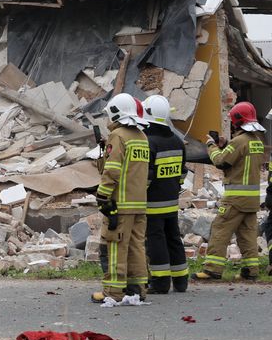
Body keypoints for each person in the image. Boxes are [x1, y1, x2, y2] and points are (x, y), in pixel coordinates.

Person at [193, 102, 265, 280]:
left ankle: (212, 270)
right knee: (247, 233)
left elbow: (221, 161)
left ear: (236, 120)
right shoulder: (257, 141)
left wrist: (211, 145)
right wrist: (225, 144)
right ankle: (251, 271)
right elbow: (240, 161)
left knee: (220, 229)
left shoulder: (239, 140)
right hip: (252, 200)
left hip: (235, 198)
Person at [92, 93, 149, 303]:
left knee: (115, 246)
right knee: (136, 247)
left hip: (120, 204)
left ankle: (113, 292)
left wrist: (103, 195)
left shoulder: (118, 137)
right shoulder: (142, 137)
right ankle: (138, 290)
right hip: (139, 204)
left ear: (116, 113)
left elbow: (113, 170)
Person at [140, 95, 188, 293]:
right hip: (171, 200)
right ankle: (181, 281)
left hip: (153, 202)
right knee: (173, 238)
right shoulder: (177, 141)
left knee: (156, 240)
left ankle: (160, 283)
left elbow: (147, 177)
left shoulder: (149, 142)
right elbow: (182, 173)